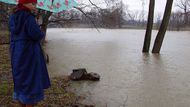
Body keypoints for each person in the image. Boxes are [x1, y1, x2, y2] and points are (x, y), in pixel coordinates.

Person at [9, 0, 51, 106]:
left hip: (16, 52)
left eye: (35, 4)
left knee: (20, 76)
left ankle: (21, 100)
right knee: (30, 78)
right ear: (24, 3)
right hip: (29, 52)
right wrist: (39, 28)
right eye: (32, 3)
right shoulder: (29, 17)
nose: (34, 6)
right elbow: (36, 35)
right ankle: (30, 102)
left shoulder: (13, 17)